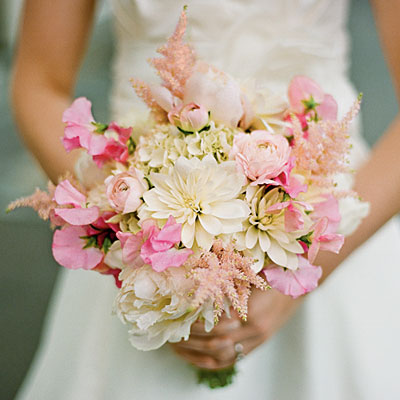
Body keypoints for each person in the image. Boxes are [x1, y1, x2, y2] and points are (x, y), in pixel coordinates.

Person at [11, 0, 400, 399]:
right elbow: (39, 83)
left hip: (330, 224)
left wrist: (301, 273)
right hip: (141, 231)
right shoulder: (128, 225)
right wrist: (116, 220)